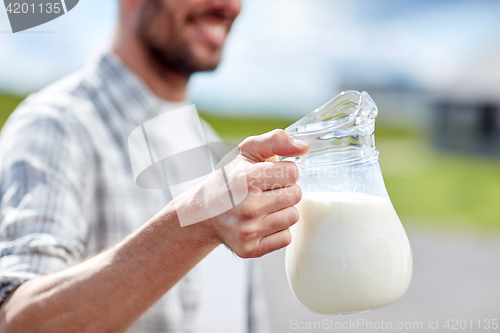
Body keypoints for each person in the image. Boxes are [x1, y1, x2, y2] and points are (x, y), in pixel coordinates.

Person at [0, 0, 310, 332]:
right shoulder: (57, 127)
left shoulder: (218, 149)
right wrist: (196, 220)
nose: (228, 5)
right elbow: (20, 323)